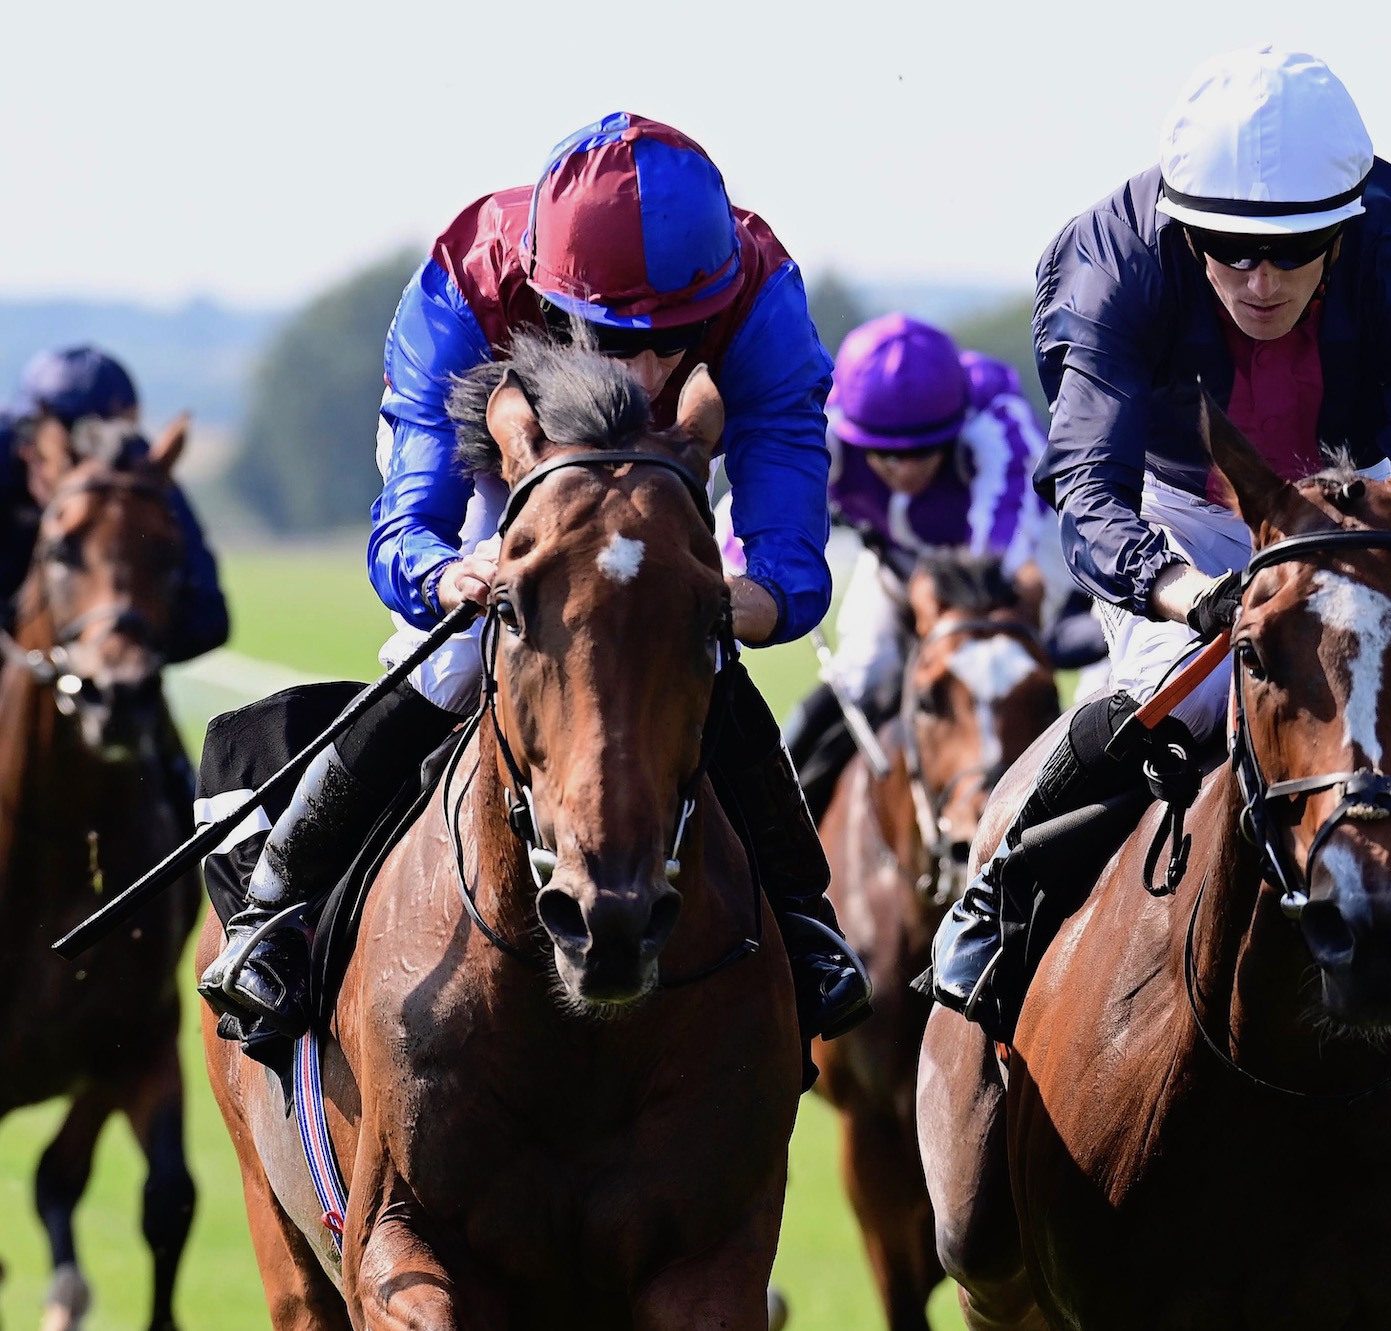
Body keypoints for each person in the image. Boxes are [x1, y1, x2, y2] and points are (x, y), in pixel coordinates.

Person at [924, 48, 1391, 1058]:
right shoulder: (1110, 262)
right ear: (1182, 226)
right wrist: (1183, 587)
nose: (1258, 278)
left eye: (1291, 252)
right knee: (1181, 694)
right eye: (1230, 249)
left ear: (1344, 229)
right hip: (1186, 512)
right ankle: (1001, 896)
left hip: (1356, 505)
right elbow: (1088, 485)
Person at [200, 113, 870, 1046]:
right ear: (556, 303)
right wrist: (447, 575)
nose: (641, 369)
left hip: (666, 473)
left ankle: (804, 917)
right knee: (458, 660)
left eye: (672, 338)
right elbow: (406, 528)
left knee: (692, 654)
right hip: (500, 451)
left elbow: (789, 534)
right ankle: (278, 902)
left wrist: (747, 601)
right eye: (612, 337)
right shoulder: (464, 290)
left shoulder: (759, 298)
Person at [771, 313, 1053, 816]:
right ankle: (780, 812)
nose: (901, 468)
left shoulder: (997, 420)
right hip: (894, 567)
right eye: (880, 454)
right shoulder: (822, 426)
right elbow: (753, 518)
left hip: (1005, 575)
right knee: (862, 672)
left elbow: (997, 555)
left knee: (1024, 669)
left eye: (924, 451)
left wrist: (946, 616)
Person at [1, 346, 228, 662]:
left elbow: (209, 618)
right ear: (30, 442)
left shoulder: (139, 472)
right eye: (73, 454)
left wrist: (119, 647)